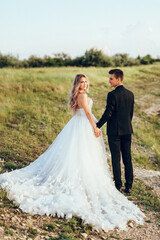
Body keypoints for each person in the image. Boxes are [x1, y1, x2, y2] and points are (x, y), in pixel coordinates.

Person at [0, 74, 144, 232]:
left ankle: (117, 183)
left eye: (85, 81)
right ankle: (120, 184)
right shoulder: (82, 95)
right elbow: (88, 113)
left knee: (94, 155)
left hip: (84, 124)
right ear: (77, 84)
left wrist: (96, 125)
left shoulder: (84, 94)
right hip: (84, 125)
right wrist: (95, 127)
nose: (84, 83)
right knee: (82, 153)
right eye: (81, 82)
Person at [95, 69, 134, 193]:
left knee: (116, 158)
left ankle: (118, 185)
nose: (109, 80)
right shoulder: (130, 94)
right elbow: (130, 114)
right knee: (127, 158)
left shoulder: (112, 95)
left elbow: (108, 113)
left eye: (111, 78)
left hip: (115, 132)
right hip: (127, 130)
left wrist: (97, 125)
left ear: (119, 79)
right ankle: (129, 185)